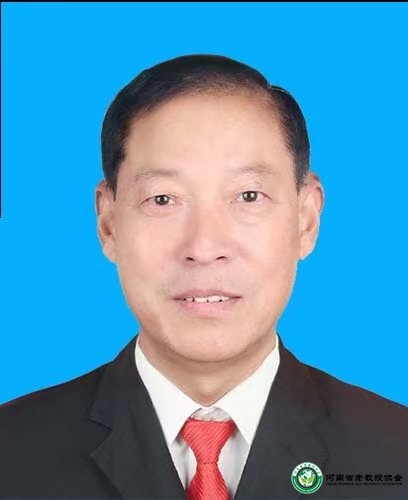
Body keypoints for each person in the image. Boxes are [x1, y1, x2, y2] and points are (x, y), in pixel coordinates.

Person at [0, 54, 407, 500]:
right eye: (162, 199)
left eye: (248, 196)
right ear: (109, 223)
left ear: (306, 220)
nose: (204, 247)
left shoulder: (395, 453)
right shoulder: (11, 453)